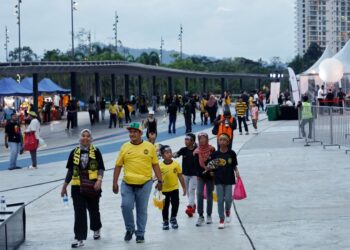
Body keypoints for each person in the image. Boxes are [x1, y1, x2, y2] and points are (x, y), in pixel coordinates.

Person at [113, 122, 163, 244]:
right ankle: (130, 229)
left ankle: (140, 233)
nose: (132, 134)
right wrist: (114, 182)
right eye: (130, 132)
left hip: (145, 183)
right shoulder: (124, 147)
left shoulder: (149, 147)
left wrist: (160, 180)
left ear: (140, 133)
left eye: (135, 131)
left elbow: (155, 164)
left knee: (142, 210)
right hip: (127, 183)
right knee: (126, 206)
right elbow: (118, 165)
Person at [61, 129, 105, 248]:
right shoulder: (73, 152)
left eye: (88, 136)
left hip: (92, 185)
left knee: (94, 210)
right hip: (77, 187)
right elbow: (70, 171)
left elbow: (101, 167)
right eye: (83, 136)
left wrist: (99, 180)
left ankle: (96, 228)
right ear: (80, 138)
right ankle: (79, 237)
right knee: (79, 213)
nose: (85, 138)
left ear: (91, 138)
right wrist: (64, 186)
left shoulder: (96, 151)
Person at [207, 133, 240, 229]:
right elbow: (212, 165)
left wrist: (237, 172)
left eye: (224, 140)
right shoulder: (215, 154)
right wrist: (211, 171)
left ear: (228, 142)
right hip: (218, 179)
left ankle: (228, 210)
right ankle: (221, 219)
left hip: (229, 178)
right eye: (220, 140)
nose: (221, 141)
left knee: (228, 199)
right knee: (220, 200)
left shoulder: (232, 153)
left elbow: (234, 165)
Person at [159, 145, 186, 230]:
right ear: (162, 155)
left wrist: (184, 187)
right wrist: (158, 185)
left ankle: (173, 218)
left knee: (175, 204)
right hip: (164, 190)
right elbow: (157, 177)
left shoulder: (176, 164)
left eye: (170, 152)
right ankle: (165, 221)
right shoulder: (160, 166)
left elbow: (180, 176)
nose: (169, 154)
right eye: (167, 152)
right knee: (165, 206)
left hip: (174, 188)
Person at [173, 133, 198, 217]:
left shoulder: (197, 149)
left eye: (188, 139)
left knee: (191, 190)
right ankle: (193, 204)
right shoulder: (183, 150)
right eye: (185, 139)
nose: (186, 141)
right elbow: (176, 155)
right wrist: (171, 154)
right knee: (187, 191)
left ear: (193, 141)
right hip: (185, 174)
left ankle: (190, 207)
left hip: (194, 174)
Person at [194, 132, 215, 227]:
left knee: (209, 195)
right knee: (199, 194)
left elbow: (215, 161)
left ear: (207, 139)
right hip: (200, 176)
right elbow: (194, 165)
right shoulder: (196, 152)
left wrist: (212, 170)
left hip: (210, 175)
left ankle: (209, 215)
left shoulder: (212, 149)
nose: (202, 140)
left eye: (204, 138)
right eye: (200, 138)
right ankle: (200, 215)